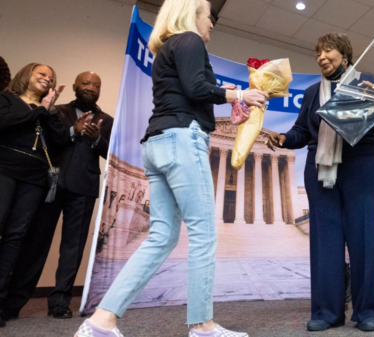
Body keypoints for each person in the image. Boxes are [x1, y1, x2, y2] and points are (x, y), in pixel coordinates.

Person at [74, 1, 268, 336]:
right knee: (203, 234)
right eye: (210, 17)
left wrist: (224, 110)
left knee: (161, 237)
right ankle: (203, 326)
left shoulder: (168, 48)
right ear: (192, 14)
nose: (212, 24)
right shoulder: (189, 39)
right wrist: (241, 94)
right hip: (182, 141)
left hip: (157, 144)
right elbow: (195, 87)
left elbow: (186, 93)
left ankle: (101, 322)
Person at [267, 32, 374, 332]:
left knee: (363, 240)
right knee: (325, 243)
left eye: (327, 50)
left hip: (362, 166)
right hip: (321, 170)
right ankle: (328, 312)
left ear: (344, 55)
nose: (321, 57)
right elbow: (300, 132)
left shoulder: (368, 82)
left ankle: (366, 311)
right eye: (317, 53)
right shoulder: (309, 94)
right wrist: (283, 139)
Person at [2, 72, 113, 320]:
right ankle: (12, 304)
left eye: (96, 85)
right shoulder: (55, 111)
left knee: (73, 247)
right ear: (75, 86)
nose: (91, 88)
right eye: (85, 83)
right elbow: (47, 142)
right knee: (35, 243)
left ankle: (60, 303)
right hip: (49, 184)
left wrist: (97, 141)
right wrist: (74, 130)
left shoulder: (107, 119)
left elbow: (111, 153)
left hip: (84, 187)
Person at [0, 63, 68, 327]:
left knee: (16, 236)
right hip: (4, 170)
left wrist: (49, 111)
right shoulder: (7, 99)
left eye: (50, 77)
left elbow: (61, 140)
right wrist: (39, 111)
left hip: (35, 179)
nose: (47, 78)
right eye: (41, 73)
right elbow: (4, 122)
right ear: (26, 75)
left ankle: (3, 303)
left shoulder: (49, 111)